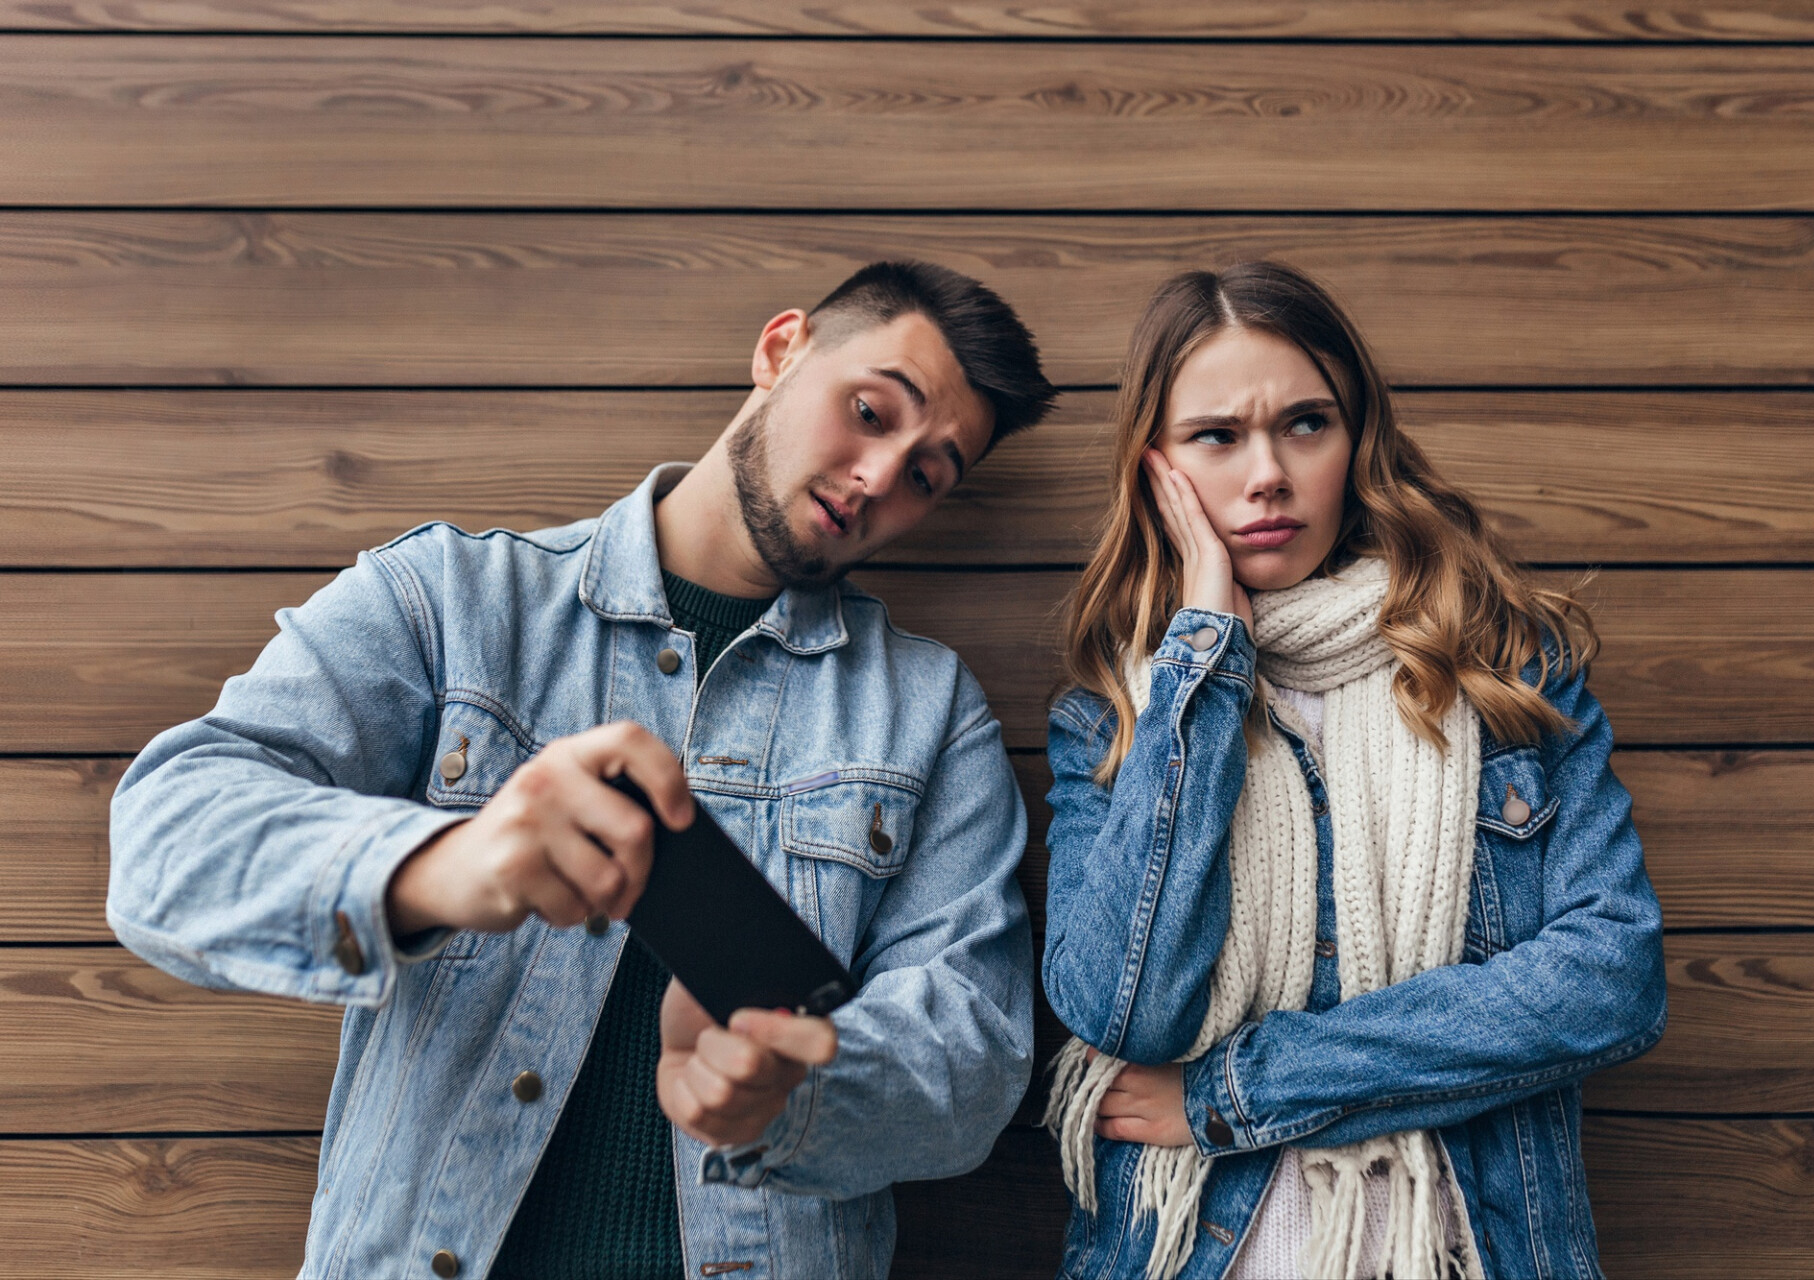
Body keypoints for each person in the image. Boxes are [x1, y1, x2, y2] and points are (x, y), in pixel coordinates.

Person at [108, 261, 1054, 1280]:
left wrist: (795, 1094)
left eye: (926, 474)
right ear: (783, 350)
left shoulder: (927, 709)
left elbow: (973, 1058)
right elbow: (166, 838)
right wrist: (439, 863)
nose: (876, 476)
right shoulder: (449, 600)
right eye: (869, 410)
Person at [1040, 261, 1665, 1280]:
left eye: (1304, 424)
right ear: (1156, 469)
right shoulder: (1112, 724)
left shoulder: (1508, 681)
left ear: (1356, 441)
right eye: (1216, 436)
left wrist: (1234, 1091)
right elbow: (1130, 1009)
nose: (1268, 475)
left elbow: (1611, 977)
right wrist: (1202, 661)